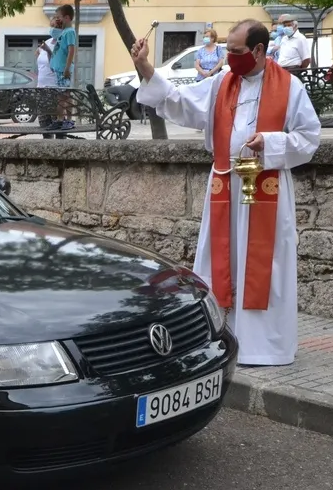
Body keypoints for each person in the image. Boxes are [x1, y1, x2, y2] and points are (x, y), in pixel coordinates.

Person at [131, 19, 321, 367]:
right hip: (225, 186)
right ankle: (221, 337)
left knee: (266, 265)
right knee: (220, 260)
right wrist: (145, 66)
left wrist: (270, 143)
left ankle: (264, 346)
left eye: (235, 51)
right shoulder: (221, 83)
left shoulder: (290, 87)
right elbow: (180, 100)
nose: (229, 57)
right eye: (227, 50)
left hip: (266, 189)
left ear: (259, 50)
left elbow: (309, 139)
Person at [47, 5, 77, 131]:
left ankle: (68, 120)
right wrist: (56, 23)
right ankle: (60, 120)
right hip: (59, 69)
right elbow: (52, 32)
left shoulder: (70, 32)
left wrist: (67, 68)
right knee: (61, 96)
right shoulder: (63, 31)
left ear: (67, 17)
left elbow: (71, 50)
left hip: (63, 70)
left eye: (59, 17)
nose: (57, 19)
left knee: (65, 96)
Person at [35, 33, 56, 136]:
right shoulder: (48, 41)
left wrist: (48, 51)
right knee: (43, 122)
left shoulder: (61, 43)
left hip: (53, 86)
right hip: (41, 86)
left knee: (55, 120)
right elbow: (37, 53)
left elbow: (55, 64)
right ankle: (47, 140)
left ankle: (60, 142)